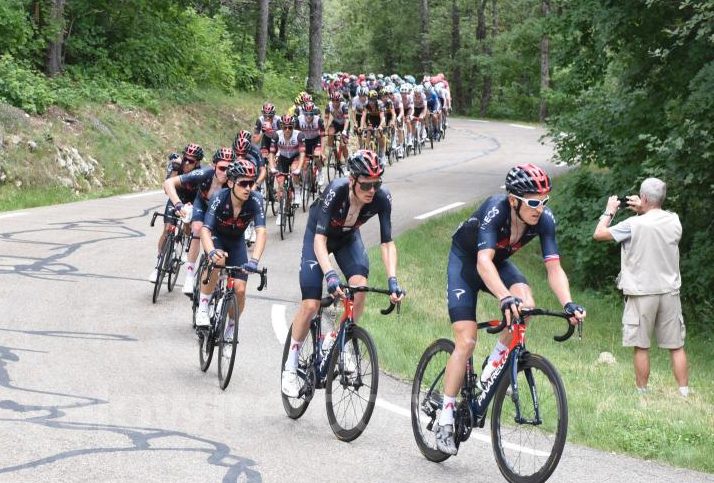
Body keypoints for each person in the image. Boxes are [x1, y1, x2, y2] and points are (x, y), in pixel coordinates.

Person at [434, 164, 585, 455]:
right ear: (514, 200)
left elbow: (554, 267)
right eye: (533, 202)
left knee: (525, 306)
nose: (540, 208)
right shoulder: (496, 209)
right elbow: (483, 262)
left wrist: (568, 303)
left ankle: (494, 363)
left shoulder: (544, 219)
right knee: (466, 340)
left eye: (544, 201)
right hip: (467, 263)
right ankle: (446, 417)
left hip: (498, 263)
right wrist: (504, 296)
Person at [282, 150, 405, 397]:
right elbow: (319, 240)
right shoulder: (337, 191)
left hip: (348, 239)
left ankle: (339, 340)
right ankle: (290, 368)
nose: (372, 190)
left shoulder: (382, 198)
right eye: (366, 184)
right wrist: (330, 274)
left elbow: (387, 242)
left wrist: (393, 279)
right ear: (352, 180)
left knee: (359, 288)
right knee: (310, 304)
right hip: (319, 237)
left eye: (377, 183)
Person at [593, 178, 689, 396]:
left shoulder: (633, 225)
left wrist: (609, 211)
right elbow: (655, 223)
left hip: (641, 292)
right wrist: (644, 210)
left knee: (642, 345)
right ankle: (684, 391)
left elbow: (599, 234)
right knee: (676, 345)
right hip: (669, 291)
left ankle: (642, 393)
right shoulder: (674, 221)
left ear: (643, 197)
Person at [196, 160, 267, 332]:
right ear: (230, 183)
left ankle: (231, 328)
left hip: (236, 242)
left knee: (240, 290)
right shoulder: (219, 197)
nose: (248, 188)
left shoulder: (256, 199)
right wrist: (211, 251)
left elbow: (261, 232)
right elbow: (205, 230)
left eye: (251, 183)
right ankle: (203, 307)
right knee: (218, 260)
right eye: (243, 183)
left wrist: (254, 261)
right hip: (217, 237)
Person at [174, 147, 233, 296]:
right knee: (197, 229)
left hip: (219, 211)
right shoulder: (204, 174)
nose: (225, 173)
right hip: (202, 203)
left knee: (217, 241)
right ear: (214, 166)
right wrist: (178, 204)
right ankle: (189, 277)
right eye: (221, 168)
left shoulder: (233, 182)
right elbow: (170, 182)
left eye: (229, 169)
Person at [151, 143, 203, 282]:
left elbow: (202, 195)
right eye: (185, 159)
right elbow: (167, 189)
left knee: (187, 223)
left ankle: (185, 243)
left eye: (191, 161)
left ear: (197, 163)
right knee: (167, 228)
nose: (187, 163)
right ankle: (158, 266)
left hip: (192, 200)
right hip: (176, 199)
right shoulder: (177, 166)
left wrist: (191, 207)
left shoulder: (200, 173)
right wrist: (175, 169)